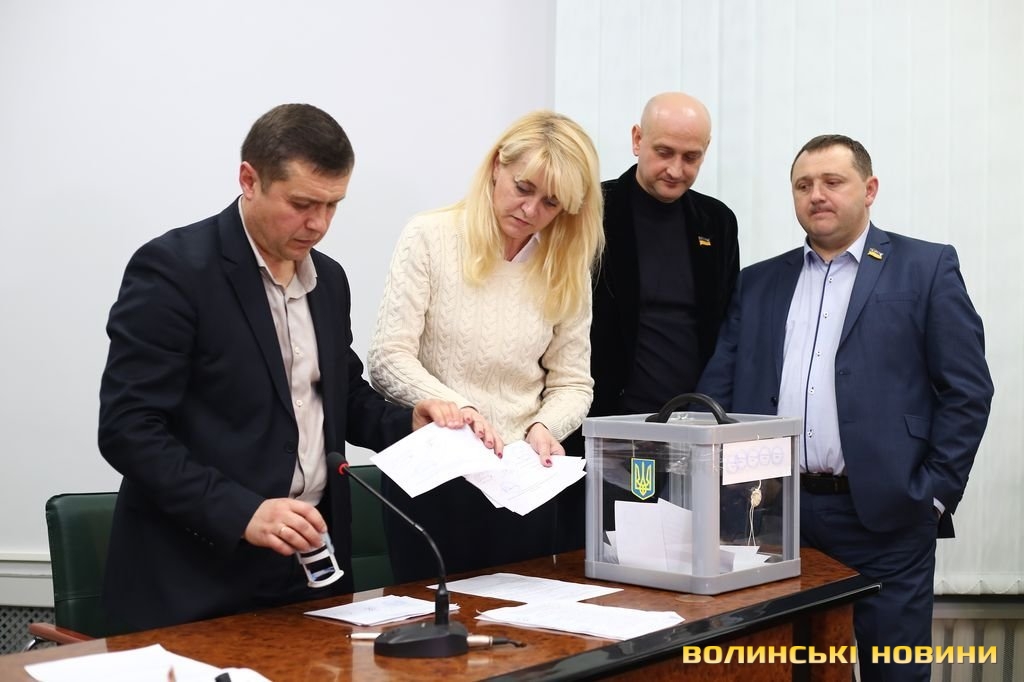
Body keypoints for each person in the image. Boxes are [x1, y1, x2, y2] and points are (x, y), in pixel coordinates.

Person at [98, 103, 483, 631]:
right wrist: (242, 512)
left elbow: (340, 396)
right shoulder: (175, 271)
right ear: (249, 180)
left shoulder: (329, 280)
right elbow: (128, 429)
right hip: (195, 573)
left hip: (307, 566)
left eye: (332, 205)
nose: (318, 224)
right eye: (302, 204)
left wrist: (409, 422)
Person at [697, 134, 993, 682]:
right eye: (803, 185)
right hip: (777, 517)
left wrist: (932, 494)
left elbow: (968, 390)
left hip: (886, 515)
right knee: (793, 670)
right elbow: (719, 394)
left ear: (869, 189)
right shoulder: (758, 282)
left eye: (833, 182)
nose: (817, 195)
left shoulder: (925, 268)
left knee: (893, 672)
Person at [367, 110, 604, 582]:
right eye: (523, 188)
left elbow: (573, 382)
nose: (530, 210)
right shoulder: (430, 237)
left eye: (551, 203)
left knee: (523, 616)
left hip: (521, 483)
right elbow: (388, 357)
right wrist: (460, 409)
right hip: (435, 477)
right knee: (430, 615)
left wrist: (544, 426)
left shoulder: (564, 263)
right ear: (497, 166)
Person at [561, 91, 741, 550]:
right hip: (605, 434)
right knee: (607, 560)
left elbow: (725, 328)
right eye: (664, 152)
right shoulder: (590, 209)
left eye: (691, 157)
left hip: (690, 438)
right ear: (637, 140)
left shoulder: (716, 221)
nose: (676, 169)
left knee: (683, 560)